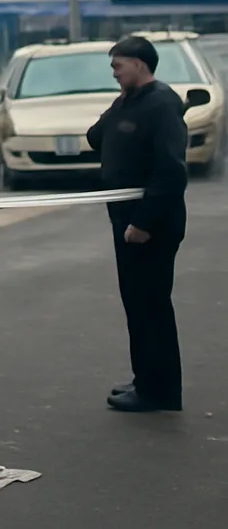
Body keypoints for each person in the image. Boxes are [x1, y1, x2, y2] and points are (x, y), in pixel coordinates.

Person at [86, 35, 188, 414]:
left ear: (140, 65)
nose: (114, 74)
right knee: (136, 303)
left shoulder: (161, 104)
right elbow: (96, 137)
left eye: (118, 67)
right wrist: (118, 109)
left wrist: (145, 222)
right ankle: (145, 377)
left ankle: (159, 391)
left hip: (150, 224)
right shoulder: (129, 101)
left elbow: (170, 172)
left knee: (151, 304)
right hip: (125, 219)